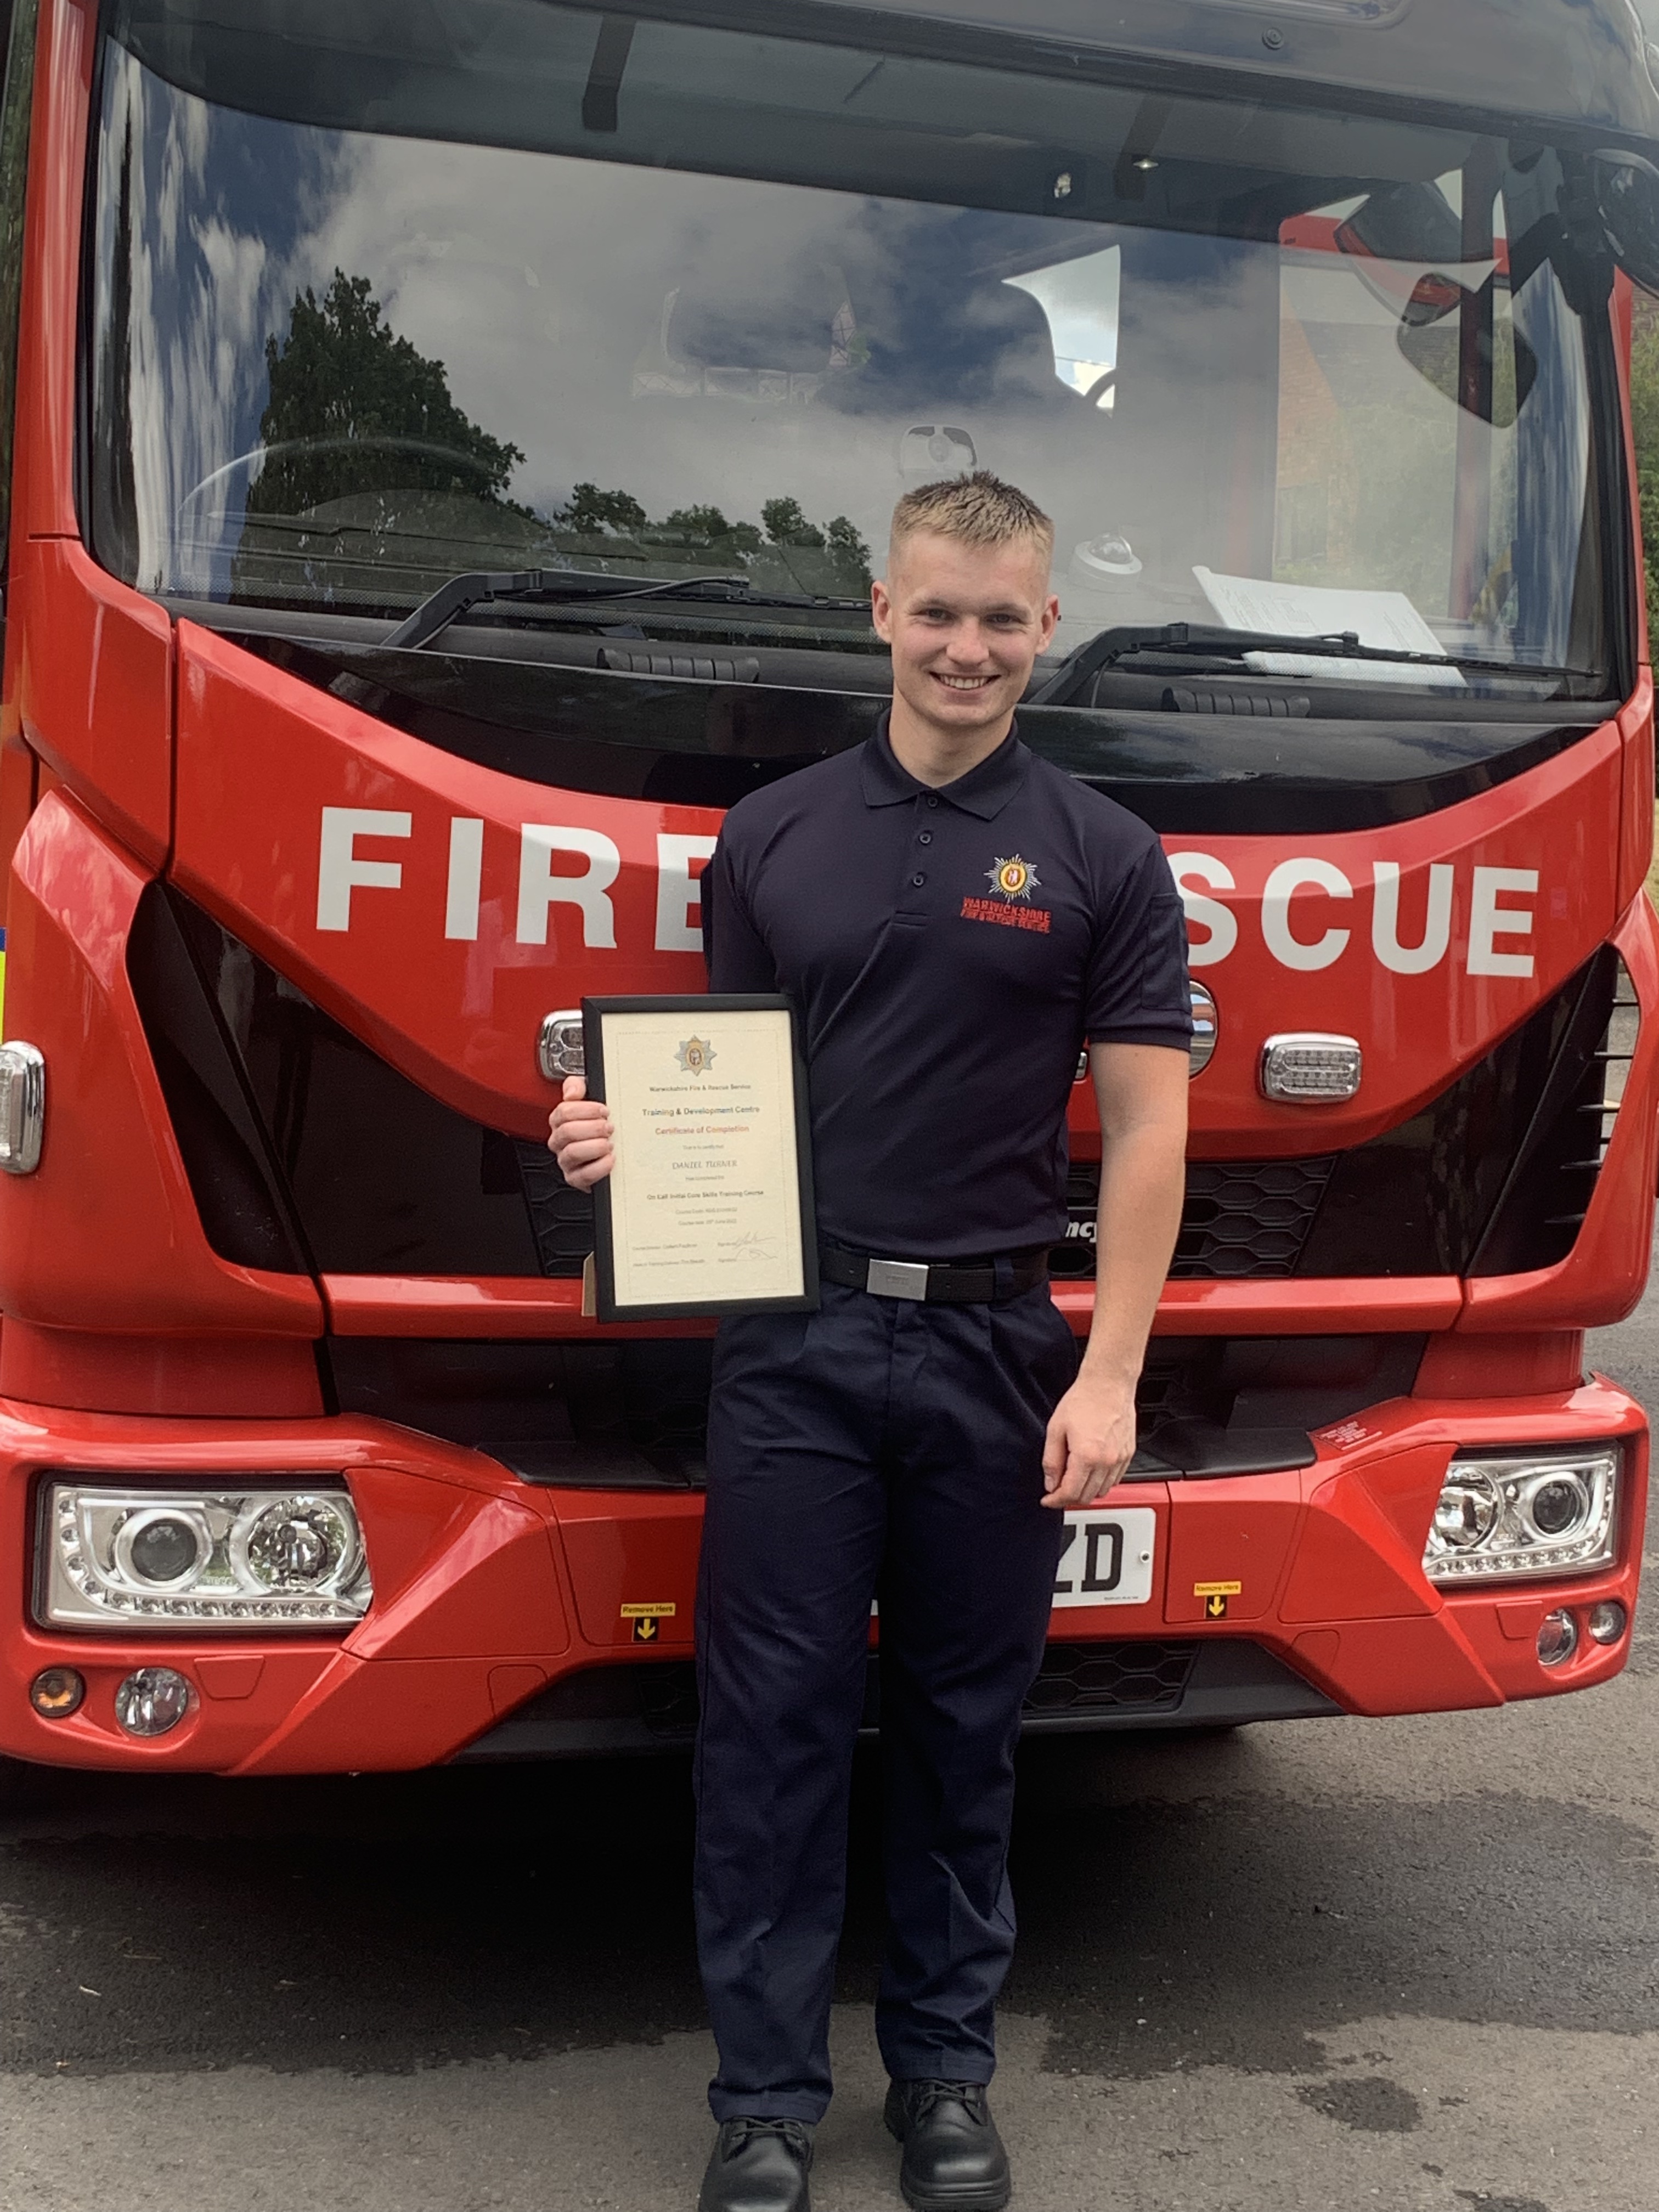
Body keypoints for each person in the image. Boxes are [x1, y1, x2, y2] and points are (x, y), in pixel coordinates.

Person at [549, 472, 1191, 2212]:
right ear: (881, 616)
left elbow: (1145, 1134)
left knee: (966, 1726)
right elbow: (726, 1097)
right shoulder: (769, 838)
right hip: (796, 1344)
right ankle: (761, 2099)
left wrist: (1113, 1373)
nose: (967, 645)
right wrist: (612, 1142)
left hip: (998, 1352)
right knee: (768, 1721)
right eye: (938, 611)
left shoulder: (1106, 860)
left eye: (1002, 616)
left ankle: (944, 2079)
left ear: (1046, 627)